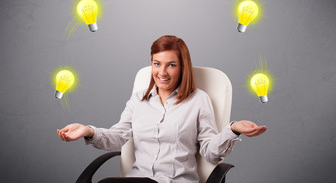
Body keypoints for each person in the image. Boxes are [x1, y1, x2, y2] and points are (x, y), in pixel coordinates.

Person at [57, 35, 267, 183]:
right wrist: (88, 131)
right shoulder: (139, 99)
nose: (162, 72)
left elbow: (210, 153)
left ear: (183, 67)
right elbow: (118, 136)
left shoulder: (199, 100)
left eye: (171, 65)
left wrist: (233, 129)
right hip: (137, 180)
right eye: (157, 64)